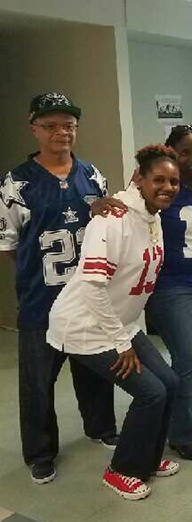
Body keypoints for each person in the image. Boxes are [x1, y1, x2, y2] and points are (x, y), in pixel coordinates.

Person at [47, 145, 183, 500]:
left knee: (168, 381)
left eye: (173, 181)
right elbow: (93, 287)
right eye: (159, 179)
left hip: (119, 324)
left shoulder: (152, 218)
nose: (167, 187)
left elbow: (135, 287)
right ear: (138, 178)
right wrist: (122, 344)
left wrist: (127, 333)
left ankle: (148, 458)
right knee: (151, 393)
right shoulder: (114, 219)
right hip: (84, 327)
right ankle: (121, 470)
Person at [0, 92, 119, 484]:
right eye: (50, 125)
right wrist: (40, 278)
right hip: (42, 302)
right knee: (38, 383)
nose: (61, 132)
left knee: (95, 370)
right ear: (34, 128)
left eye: (68, 125)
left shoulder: (93, 175)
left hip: (87, 297)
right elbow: (10, 246)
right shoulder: (17, 182)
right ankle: (40, 452)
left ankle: (101, 426)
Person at [143, 125, 192, 461]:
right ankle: (180, 432)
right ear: (171, 153)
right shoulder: (161, 188)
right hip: (171, 286)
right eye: (185, 151)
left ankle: (187, 417)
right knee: (188, 356)